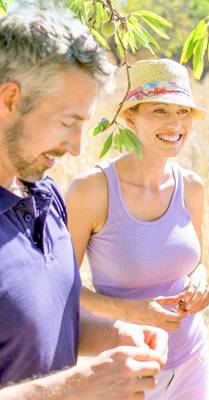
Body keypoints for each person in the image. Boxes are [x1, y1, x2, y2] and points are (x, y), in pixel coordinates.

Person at [0, 6, 169, 399]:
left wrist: (112, 335)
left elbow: (36, 321)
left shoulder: (46, 195)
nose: (77, 148)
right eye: (66, 122)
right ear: (10, 99)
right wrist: (76, 387)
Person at [66, 58, 209, 400]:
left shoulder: (192, 187)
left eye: (183, 111)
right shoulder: (91, 190)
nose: (175, 123)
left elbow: (198, 264)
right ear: (129, 116)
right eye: (159, 111)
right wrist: (131, 312)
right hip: (125, 372)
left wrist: (200, 284)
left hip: (192, 360)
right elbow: (62, 289)